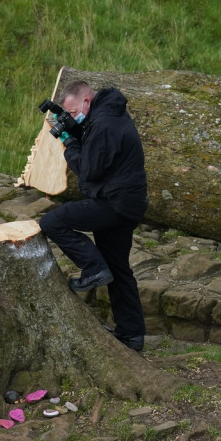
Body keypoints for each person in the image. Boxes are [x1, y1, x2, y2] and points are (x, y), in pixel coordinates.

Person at [38, 81, 148, 352]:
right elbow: (97, 147)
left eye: (74, 112)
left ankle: (93, 269)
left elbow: (89, 169)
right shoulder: (108, 114)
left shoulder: (105, 124)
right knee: (119, 268)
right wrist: (75, 129)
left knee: (52, 222)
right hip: (126, 202)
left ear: (87, 101)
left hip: (115, 203)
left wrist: (68, 142)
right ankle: (131, 335)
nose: (74, 117)